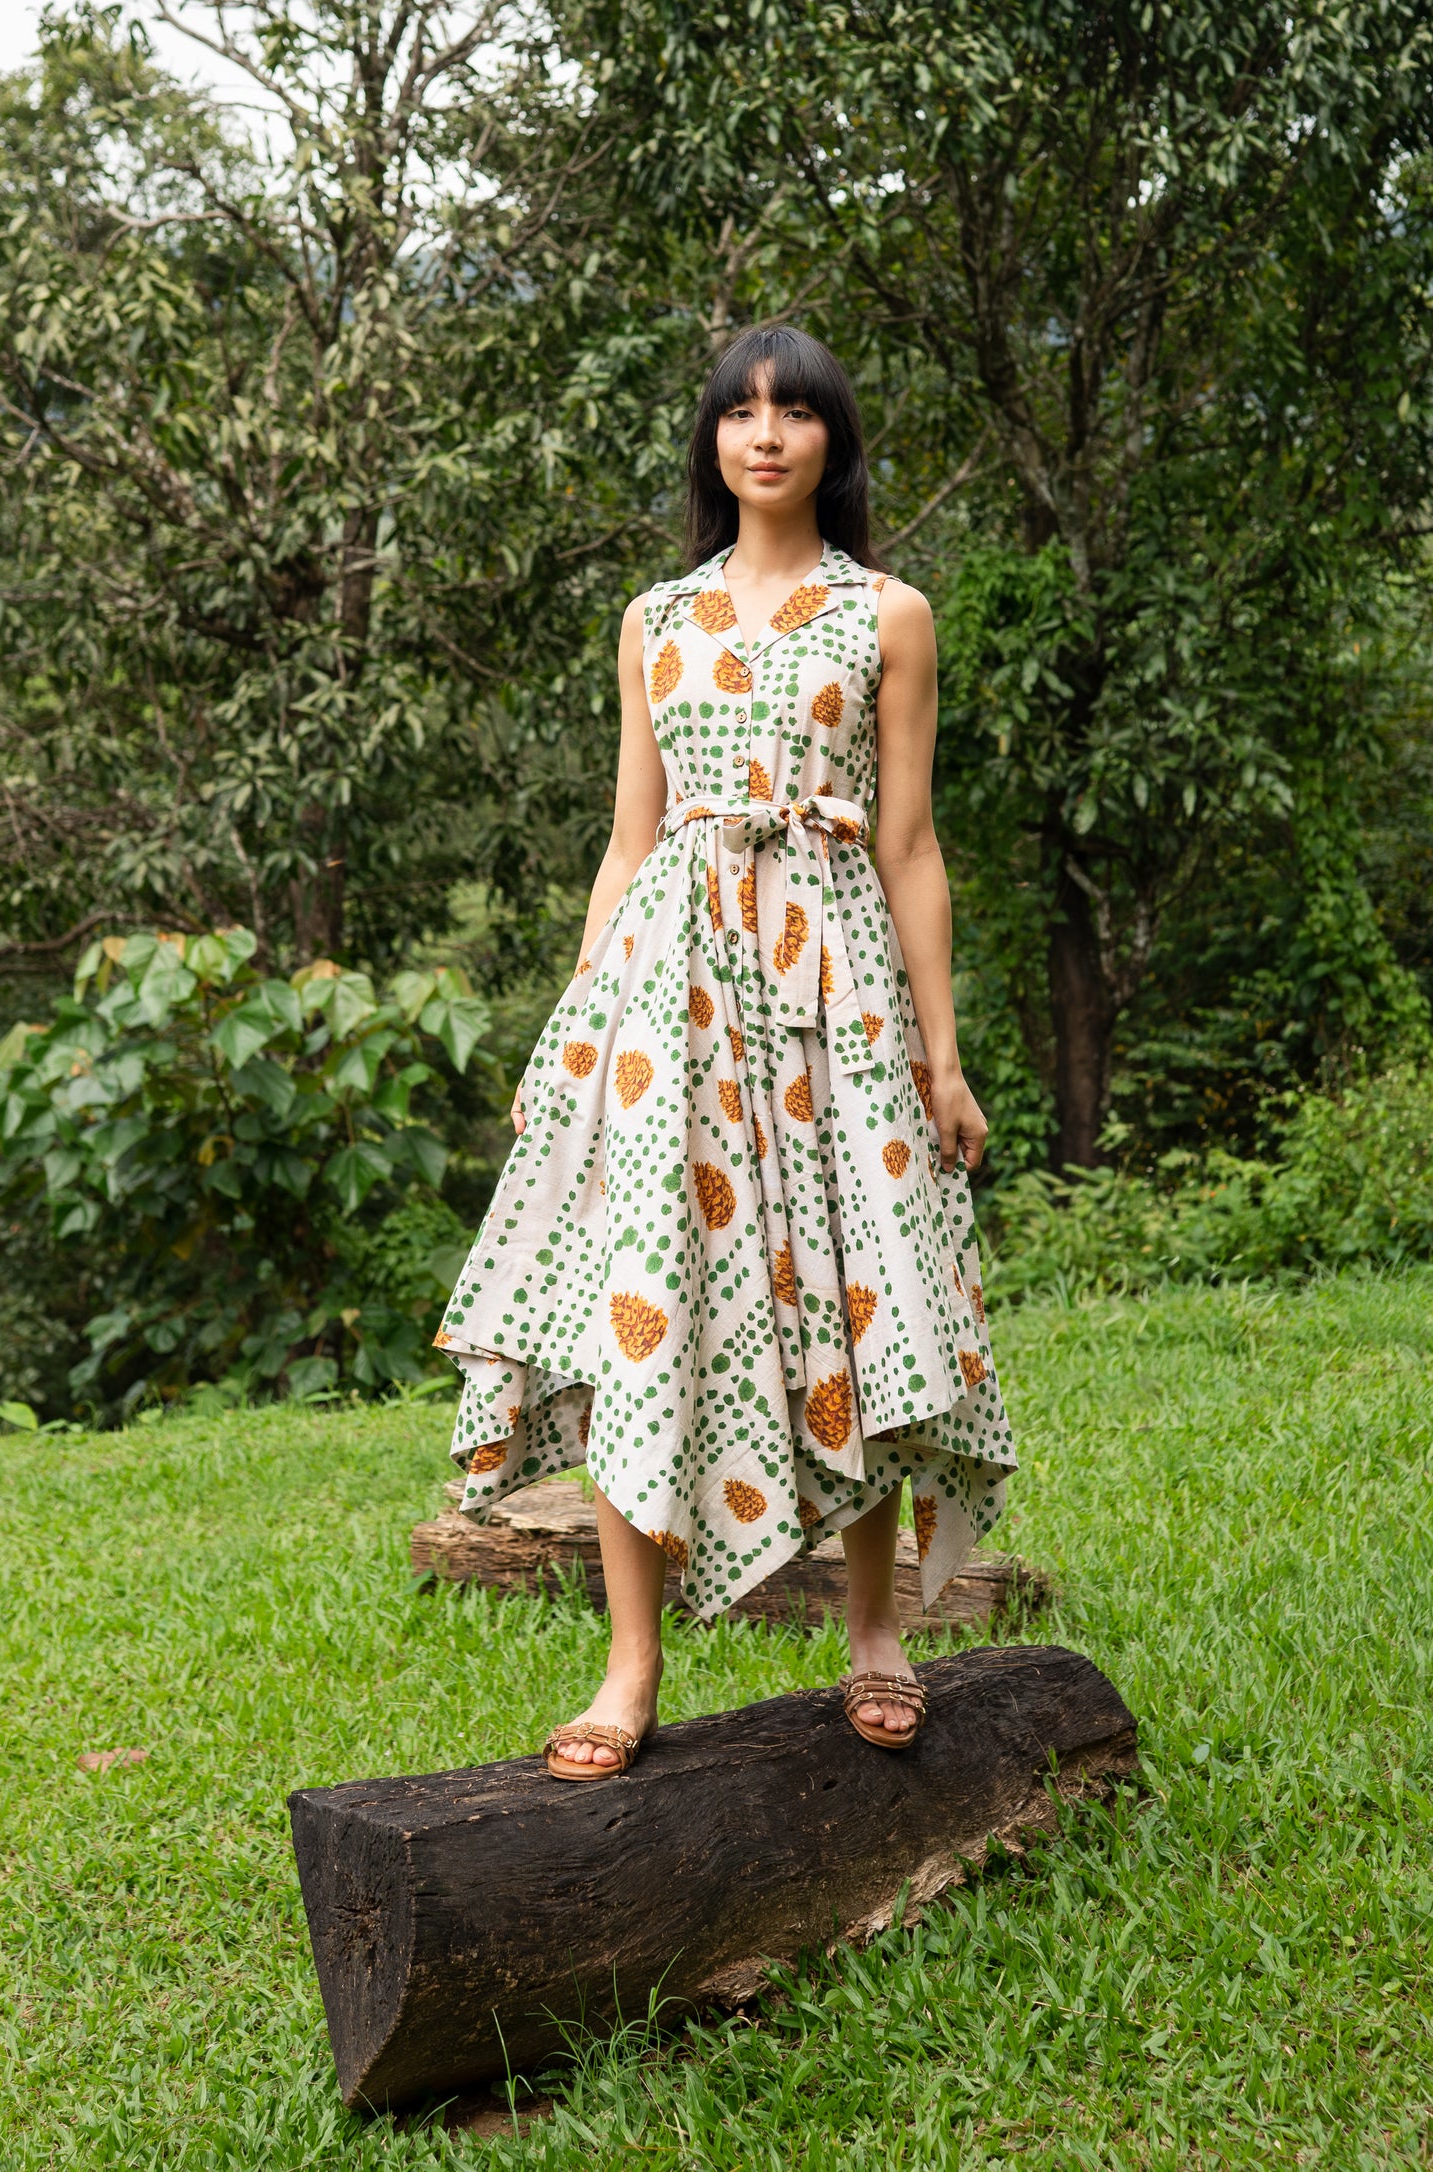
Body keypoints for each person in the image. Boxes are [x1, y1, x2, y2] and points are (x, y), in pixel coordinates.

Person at [434, 325, 1016, 1777]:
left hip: (836, 987)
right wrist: (574, 1026)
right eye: (739, 412)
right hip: (666, 994)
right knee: (651, 1292)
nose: (765, 434)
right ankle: (629, 1669)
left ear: (834, 439)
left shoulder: (887, 613)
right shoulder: (655, 619)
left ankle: (873, 1633)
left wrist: (941, 1059)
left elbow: (910, 841)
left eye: (795, 412)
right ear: (712, 441)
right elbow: (630, 839)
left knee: (855, 1283)